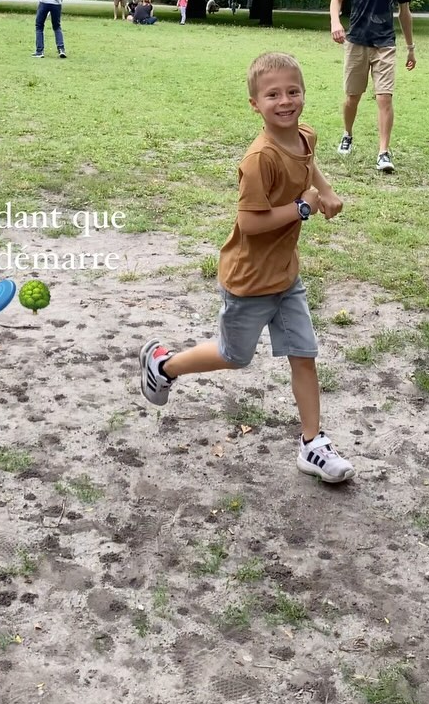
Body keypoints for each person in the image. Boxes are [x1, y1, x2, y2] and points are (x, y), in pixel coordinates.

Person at [139, 52, 353, 483]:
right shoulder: (260, 159)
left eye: (293, 91)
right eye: (272, 94)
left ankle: (313, 444)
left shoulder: (305, 136)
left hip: (285, 277)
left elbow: (310, 165)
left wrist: (325, 191)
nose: (285, 101)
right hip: (250, 281)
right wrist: (302, 208)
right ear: (255, 104)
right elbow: (250, 224)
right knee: (233, 357)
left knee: (304, 355)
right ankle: (163, 365)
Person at [329, 0, 415, 174]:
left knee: (384, 97)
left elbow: (405, 13)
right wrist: (335, 22)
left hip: (385, 44)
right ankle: (347, 134)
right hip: (356, 41)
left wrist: (410, 47)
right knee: (351, 97)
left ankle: (383, 152)